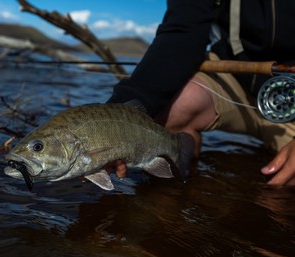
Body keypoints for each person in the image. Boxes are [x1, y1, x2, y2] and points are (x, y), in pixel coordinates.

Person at [107, 0, 295, 186]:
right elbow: (182, 31)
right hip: (234, 78)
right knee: (163, 116)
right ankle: (175, 197)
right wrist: (116, 116)